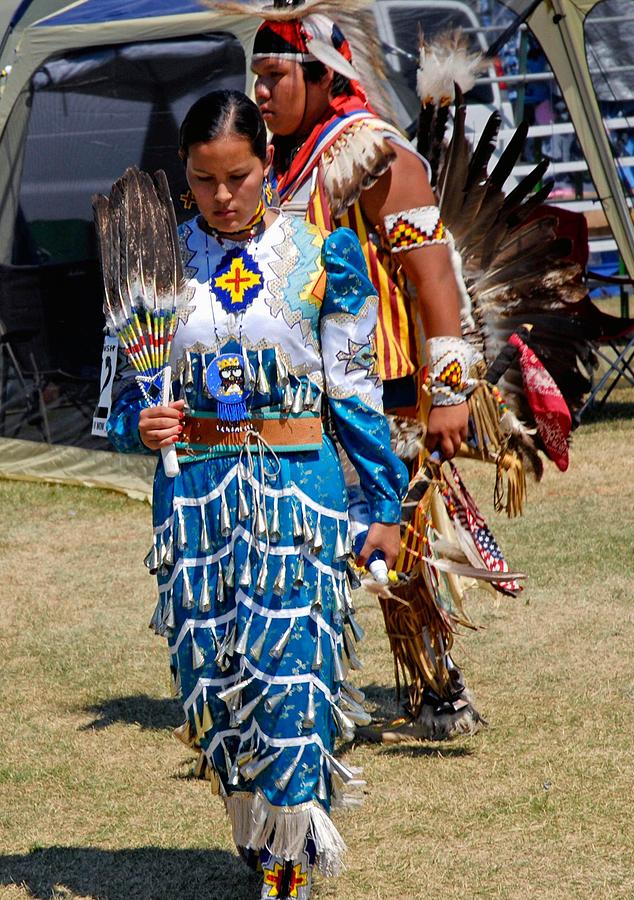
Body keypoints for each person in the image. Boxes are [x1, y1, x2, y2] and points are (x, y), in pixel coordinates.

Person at [106, 89, 407, 899]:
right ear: (186, 177)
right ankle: (257, 830)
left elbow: (355, 392)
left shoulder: (320, 260)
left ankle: (290, 858)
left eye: (238, 175)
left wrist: (383, 507)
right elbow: (119, 400)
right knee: (212, 675)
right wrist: (145, 421)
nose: (224, 196)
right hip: (195, 497)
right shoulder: (154, 267)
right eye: (205, 182)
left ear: (266, 162)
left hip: (297, 494)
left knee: (288, 671)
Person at [246, 9, 486, 738]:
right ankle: (312, 694)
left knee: (394, 544)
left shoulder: (374, 154)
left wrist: (449, 397)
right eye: (255, 77)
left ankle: (442, 691)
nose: (261, 92)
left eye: (275, 76)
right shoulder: (280, 158)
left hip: (385, 389)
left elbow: (434, 277)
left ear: (324, 75)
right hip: (305, 389)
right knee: (313, 540)